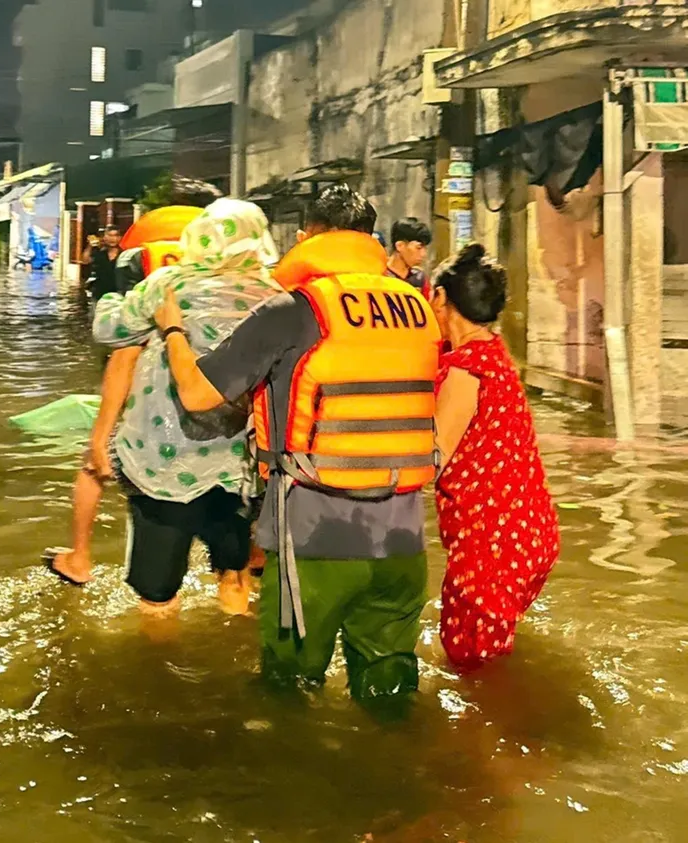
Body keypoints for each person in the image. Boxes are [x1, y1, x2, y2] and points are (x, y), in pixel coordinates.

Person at [154, 184, 441, 701]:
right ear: (372, 239)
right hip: (405, 538)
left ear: (307, 235)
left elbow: (198, 393)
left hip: (314, 538)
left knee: (289, 695)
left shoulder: (293, 309)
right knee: (390, 696)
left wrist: (173, 328)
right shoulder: (417, 307)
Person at [87, 199, 280, 616]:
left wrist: (112, 295)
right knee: (234, 572)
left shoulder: (168, 284)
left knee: (158, 595)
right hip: (240, 467)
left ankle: (158, 668)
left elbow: (109, 330)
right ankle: (235, 652)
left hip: (161, 462)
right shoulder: (276, 297)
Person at [45, 179, 222, 588]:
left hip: (153, 392)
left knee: (94, 465)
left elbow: (125, 351)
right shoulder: (225, 261)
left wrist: (101, 431)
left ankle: (80, 559)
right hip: (217, 394)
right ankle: (235, 573)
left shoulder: (147, 257)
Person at [431, 244, 560, 671]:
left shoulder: (466, 369)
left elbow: (435, 454)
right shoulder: (495, 355)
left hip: (492, 544)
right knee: (492, 657)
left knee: (473, 667)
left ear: (442, 300)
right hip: (529, 533)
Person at [387, 217, 433, 299]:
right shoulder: (380, 276)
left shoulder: (420, 279)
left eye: (425, 248)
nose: (423, 254)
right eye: (418, 248)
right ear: (400, 246)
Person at [83, 226, 122, 303]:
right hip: (99, 294)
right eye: (110, 235)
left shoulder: (124, 254)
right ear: (104, 237)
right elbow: (85, 260)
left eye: (116, 235)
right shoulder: (99, 253)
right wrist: (90, 246)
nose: (113, 239)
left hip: (118, 295)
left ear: (120, 237)